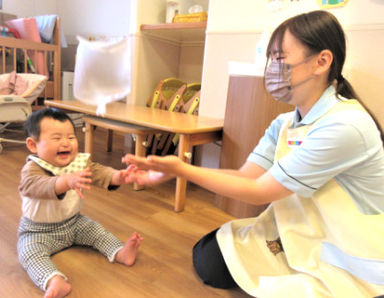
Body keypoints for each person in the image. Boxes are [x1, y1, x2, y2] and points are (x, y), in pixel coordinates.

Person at [121, 10, 384, 297]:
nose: (272, 68)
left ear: (321, 61)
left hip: (352, 256)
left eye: (280, 59)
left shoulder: (345, 126)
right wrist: (178, 169)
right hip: (301, 233)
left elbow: (259, 192)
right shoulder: (284, 123)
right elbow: (246, 177)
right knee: (209, 258)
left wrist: (182, 170)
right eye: (271, 59)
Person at [18, 108, 144, 298]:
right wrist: (66, 181)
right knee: (28, 253)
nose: (66, 143)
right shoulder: (32, 169)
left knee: (98, 232)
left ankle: (121, 253)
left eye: (70, 137)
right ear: (33, 145)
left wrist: (119, 176)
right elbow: (34, 186)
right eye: (56, 138)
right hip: (36, 231)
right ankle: (54, 281)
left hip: (73, 223)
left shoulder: (78, 162)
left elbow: (98, 172)